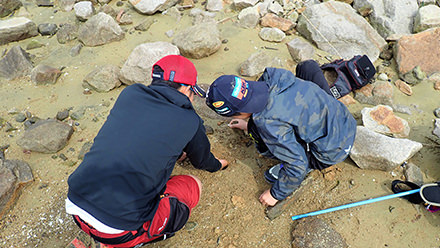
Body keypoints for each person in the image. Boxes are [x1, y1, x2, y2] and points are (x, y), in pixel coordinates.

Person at [66, 55, 228, 247]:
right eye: (193, 91)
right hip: (120, 231)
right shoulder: (189, 119)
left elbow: (143, 131)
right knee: (194, 185)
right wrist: (218, 165)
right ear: (185, 88)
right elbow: (202, 161)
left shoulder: (130, 93)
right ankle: (133, 241)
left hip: (76, 205)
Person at [206, 60, 356, 207]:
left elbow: (297, 164)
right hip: (344, 118)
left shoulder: (267, 123)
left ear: (240, 112)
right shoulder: (275, 77)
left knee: (258, 132)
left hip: (334, 150)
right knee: (307, 67)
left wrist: (275, 194)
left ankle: (310, 164)